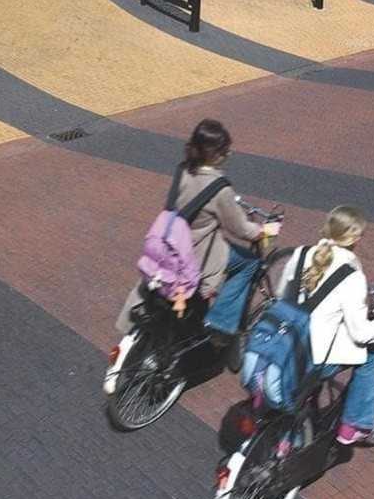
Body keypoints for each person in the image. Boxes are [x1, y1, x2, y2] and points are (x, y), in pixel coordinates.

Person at [115, 119, 279, 336]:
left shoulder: (182, 170)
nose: (228, 155)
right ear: (215, 154)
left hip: (167, 245)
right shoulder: (219, 188)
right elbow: (240, 229)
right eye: (226, 151)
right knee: (249, 263)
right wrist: (263, 230)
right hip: (195, 255)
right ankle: (221, 323)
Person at [274, 206, 374, 444]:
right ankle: (353, 425)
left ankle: (290, 429)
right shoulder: (352, 277)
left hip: (282, 342)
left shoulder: (301, 254)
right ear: (355, 239)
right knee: (369, 356)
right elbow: (360, 332)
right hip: (312, 357)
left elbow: (281, 295)